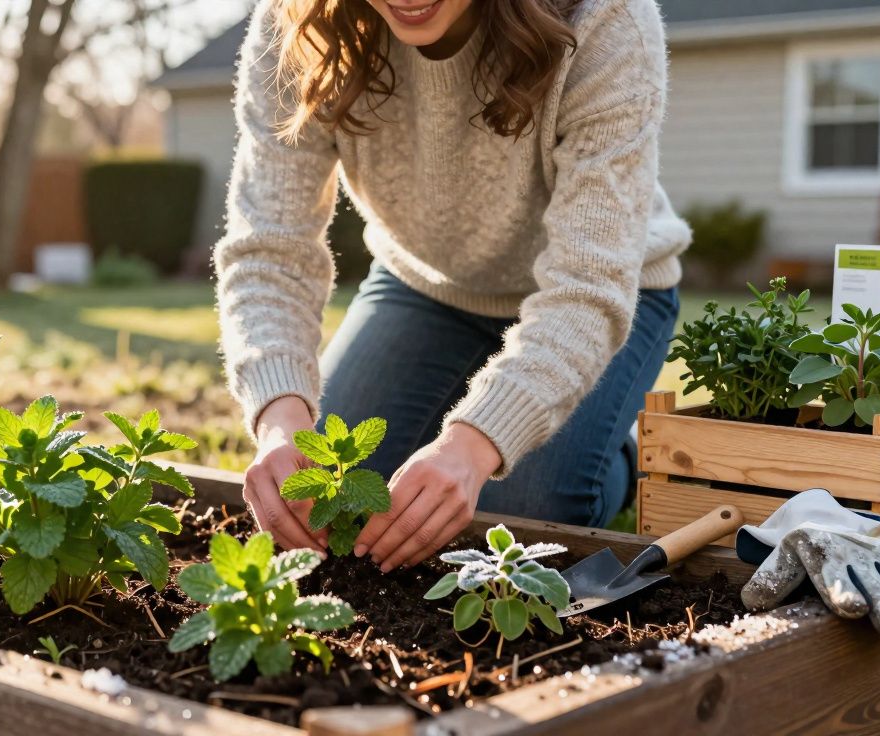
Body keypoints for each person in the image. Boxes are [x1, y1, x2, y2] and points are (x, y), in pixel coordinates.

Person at [214, 0, 691, 572]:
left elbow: (587, 289)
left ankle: (613, 451)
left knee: (521, 510)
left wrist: (471, 448)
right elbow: (270, 249)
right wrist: (279, 420)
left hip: (600, 296)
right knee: (338, 489)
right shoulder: (298, 24)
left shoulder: (607, 21)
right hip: (425, 286)